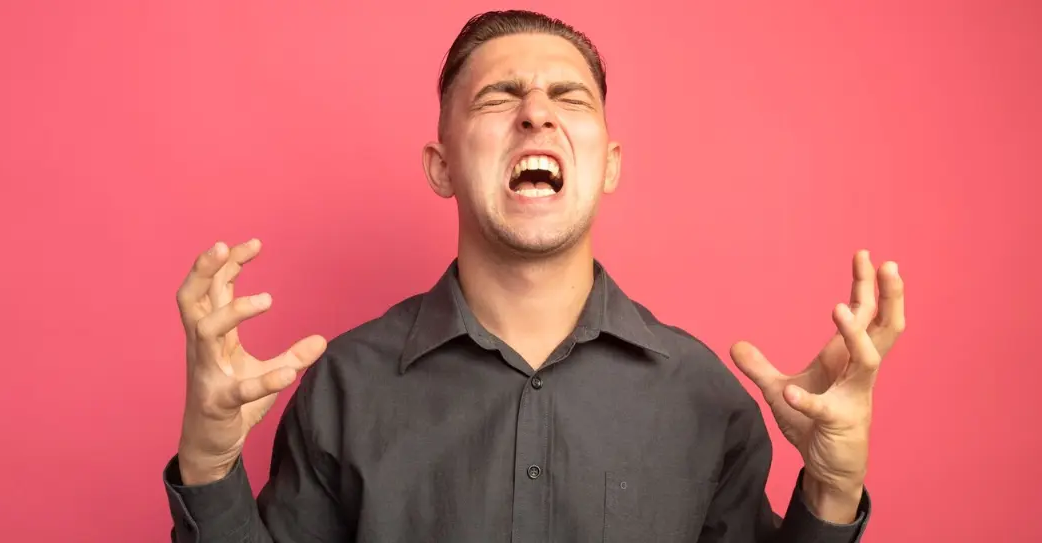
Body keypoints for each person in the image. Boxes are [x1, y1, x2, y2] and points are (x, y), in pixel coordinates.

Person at [163, 9, 906, 543]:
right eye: (498, 97)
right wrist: (208, 459)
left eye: (569, 97)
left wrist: (831, 491)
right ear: (441, 165)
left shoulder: (703, 396)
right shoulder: (345, 387)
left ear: (608, 163)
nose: (535, 116)